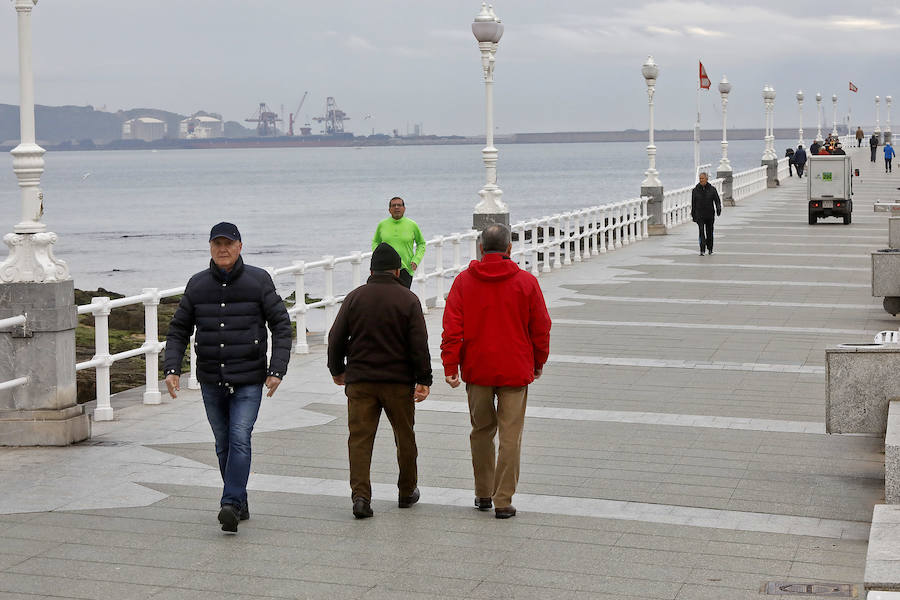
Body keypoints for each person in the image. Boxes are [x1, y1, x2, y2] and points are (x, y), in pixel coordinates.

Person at [164, 222, 292, 534]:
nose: (223, 249)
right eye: (217, 243)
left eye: (228, 243)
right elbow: (179, 329)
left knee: (239, 438)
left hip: (249, 378)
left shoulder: (258, 281)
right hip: (211, 378)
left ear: (240, 246)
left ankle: (230, 503)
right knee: (223, 444)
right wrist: (171, 368)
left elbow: (281, 325)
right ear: (210, 247)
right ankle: (239, 500)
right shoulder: (197, 285)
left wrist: (277, 370)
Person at [441, 224, 551, 520]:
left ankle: (482, 492)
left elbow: (452, 328)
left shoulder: (464, 282)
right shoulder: (526, 282)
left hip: (477, 370)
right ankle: (503, 499)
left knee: (481, 431)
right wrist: (538, 361)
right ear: (509, 249)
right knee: (510, 436)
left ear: (480, 248)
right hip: (515, 369)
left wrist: (451, 365)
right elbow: (541, 327)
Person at [327, 242, 432, 519]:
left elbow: (335, 337)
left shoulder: (354, 297)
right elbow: (419, 344)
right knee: (405, 436)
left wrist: (337, 370)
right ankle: (407, 491)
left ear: (371, 270)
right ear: (397, 271)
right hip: (398, 383)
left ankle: (361, 497)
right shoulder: (408, 300)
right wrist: (424, 379)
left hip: (361, 381)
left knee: (360, 440)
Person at [371, 197, 426, 289]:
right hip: (386, 268)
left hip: (405, 268)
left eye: (399, 205)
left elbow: (421, 244)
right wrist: (377, 254)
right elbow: (375, 242)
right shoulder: (382, 224)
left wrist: (416, 260)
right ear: (389, 210)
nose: (396, 207)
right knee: (387, 296)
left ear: (404, 208)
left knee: (403, 299)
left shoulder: (412, 225)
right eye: (393, 205)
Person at [690, 172, 722, 256]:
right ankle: (702, 249)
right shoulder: (695, 190)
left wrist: (718, 209)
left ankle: (710, 248)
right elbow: (693, 203)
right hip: (699, 214)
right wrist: (693, 215)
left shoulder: (712, 189)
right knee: (701, 231)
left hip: (710, 214)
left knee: (709, 232)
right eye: (700, 178)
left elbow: (717, 200)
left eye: (702, 178)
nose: (701, 180)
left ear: (707, 179)